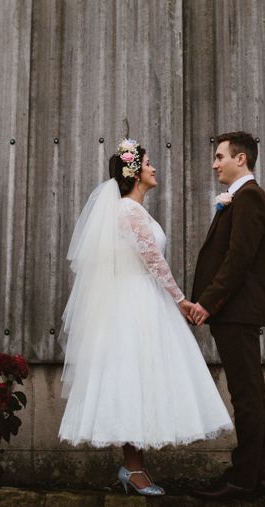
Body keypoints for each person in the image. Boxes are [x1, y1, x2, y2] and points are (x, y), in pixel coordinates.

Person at [58, 138, 233, 496]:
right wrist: (182, 300)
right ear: (135, 172)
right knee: (131, 379)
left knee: (142, 379)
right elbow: (153, 260)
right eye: (149, 164)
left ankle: (134, 468)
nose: (154, 169)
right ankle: (133, 469)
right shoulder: (128, 211)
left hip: (143, 300)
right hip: (134, 303)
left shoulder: (134, 210)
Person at [189, 131, 265, 500]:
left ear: (241, 159)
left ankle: (243, 480)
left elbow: (237, 259)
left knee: (246, 395)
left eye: (220, 156)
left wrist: (208, 302)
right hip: (235, 313)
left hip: (236, 312)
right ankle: (259, 476)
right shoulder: (240, 199)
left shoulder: (249, 197)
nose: (214, 163)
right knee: (252, 393)